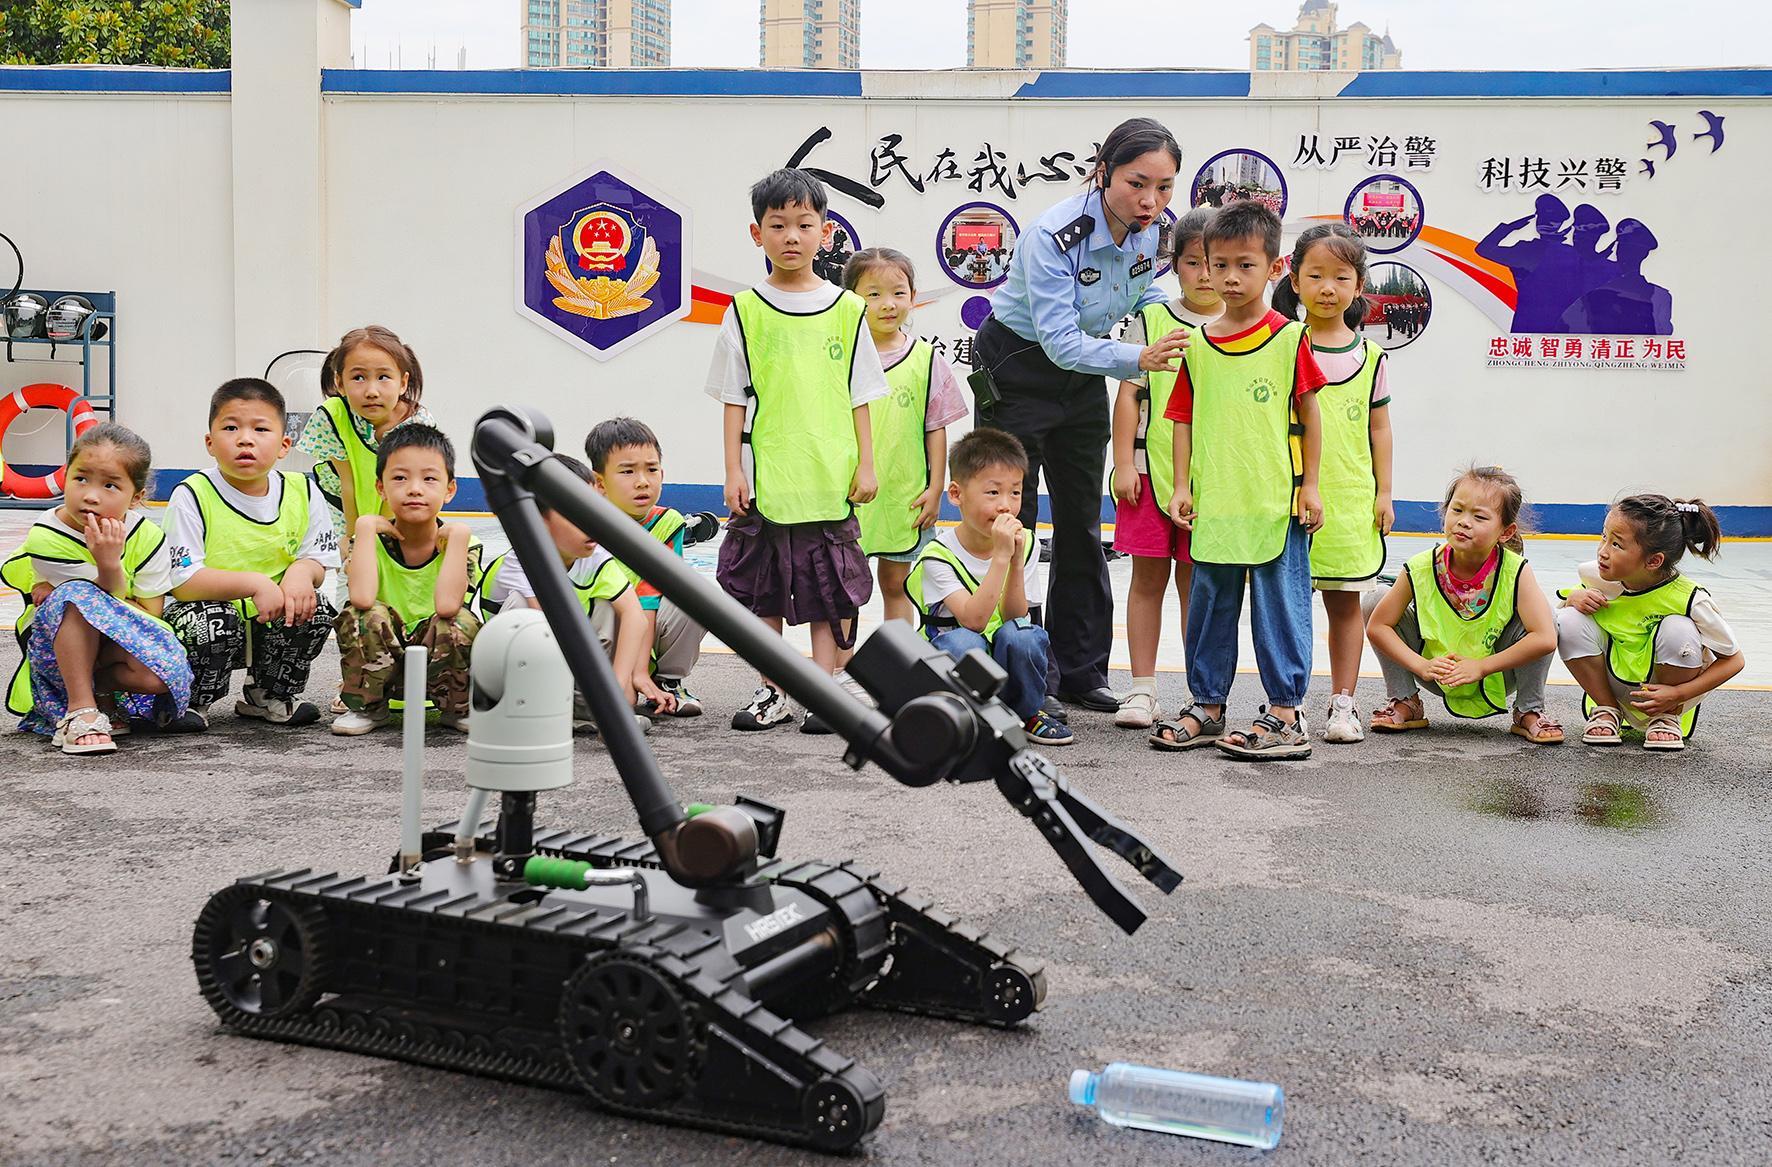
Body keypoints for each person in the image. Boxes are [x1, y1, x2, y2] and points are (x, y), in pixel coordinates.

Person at [975, 116, 1188, 715]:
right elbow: (1060, 341)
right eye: (1137, 183)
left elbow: (1143, 294)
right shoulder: (1052, 235)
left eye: (1164, 187)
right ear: (1103, 172)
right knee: (1011, 519)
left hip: (1085, 373)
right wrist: (1139, 357)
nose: (1150, 201)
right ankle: (1013, 671)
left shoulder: (1153, 232)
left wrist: (1178, 323)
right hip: (1019, 367)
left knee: (1081, 524)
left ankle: (1079, 669)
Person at [705, 168, 883, 734]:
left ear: (826, 232)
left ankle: (824, 691)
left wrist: (867, 464)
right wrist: (733, 470)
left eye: (804, 224)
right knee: (762, 589)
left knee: (830, 588)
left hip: (829, 476)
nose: (791, 236)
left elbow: (861, 395)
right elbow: (733, 398)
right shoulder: (744, 310)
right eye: (778, 224)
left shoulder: (848, 309)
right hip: (766, 478)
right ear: (756, 234)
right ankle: (772, 691)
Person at [1152, 200, 1326, 760]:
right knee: (1210, 609)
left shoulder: (1290, 339)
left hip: (1276, 503)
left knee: (1281, 611)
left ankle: (1286, 714)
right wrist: (1182, 486)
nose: (1229, 277)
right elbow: (1181, 418)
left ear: (1274, 268)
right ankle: (1207, 706)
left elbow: (1311, 416)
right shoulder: (1198, 344)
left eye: (1245, 265)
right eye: (1218, 264)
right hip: (1217, 505)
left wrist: (1311, 486)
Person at [1272, 223, 1394, 744]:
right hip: (1286, 497)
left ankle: (1344, 703)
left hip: (1349, 500)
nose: (1327, 288)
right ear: (1294, 280)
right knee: (1289, 606)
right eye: (1315, 275)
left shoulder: (1371, 357)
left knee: (1345, 605)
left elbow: (1380, 429)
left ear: (1358, 285)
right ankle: (1288, 703)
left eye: (1341, 277)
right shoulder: (1279, 345)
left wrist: (1384, 493)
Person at [2, 424, 192, 753]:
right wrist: (109, 567)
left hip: (115, 641)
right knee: (76, 598)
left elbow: (150, 614)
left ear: (136, 497)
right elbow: (93, 604)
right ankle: (80, 710)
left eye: (110, 485)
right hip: (60, 650)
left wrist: (109, 569)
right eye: (81, 478)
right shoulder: (47, 535)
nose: (91, 495)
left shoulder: (147, 537)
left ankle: (102, 687)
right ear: (66, 476)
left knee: (162, 675)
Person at [162, 379, 341, 729]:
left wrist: (302, 573)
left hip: (270, 617)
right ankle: (191, 700)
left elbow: (318, 560)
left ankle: (269, 694)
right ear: (210, 443)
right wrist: (255, 584)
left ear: (284, 445)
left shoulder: (302, 490)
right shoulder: (193, 493)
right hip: (215, 614)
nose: (245, 439)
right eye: (231, 428)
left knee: (315, 606)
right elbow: (182, 582)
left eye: (261, 429)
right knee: (209, 621)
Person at [1108, 207, 1220, 730]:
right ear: (1173, 265)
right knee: (1147, 579)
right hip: (1148, 477)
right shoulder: (1151, 320)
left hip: (1212, 483)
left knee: (1198, 586)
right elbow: (1129, 396)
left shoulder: (1245, 328)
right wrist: (1123, 463)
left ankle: (1202, 693)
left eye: (1215, 263)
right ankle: (1142, 688)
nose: (1205, 274)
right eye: (1193, 262)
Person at [1364, 466, 1563, 744]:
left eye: (1479, 516)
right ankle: (1405, 701)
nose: (1463, 522)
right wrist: (1422, 666)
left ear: (1506, 532)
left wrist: (1481, 666)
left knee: (1546, 617)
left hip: (1497, 673)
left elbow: (1545, 638)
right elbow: (1378, 626)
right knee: (1374, 600)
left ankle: (1529, 710)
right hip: (1438, 672)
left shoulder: (1516, 570)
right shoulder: (1421, 567)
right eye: (1457, 510)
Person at [476, 454, 676, 728]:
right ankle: (534, 708)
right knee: (521, 608)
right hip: (523, 675)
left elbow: (635, 617)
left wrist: (618, 689)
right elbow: (550, 630)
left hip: (571, 670)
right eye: (575, 513)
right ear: (537, 520)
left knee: (610, 605)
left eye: (593, 509)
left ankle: (587, 708)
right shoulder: (521, 560)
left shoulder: (595, 556)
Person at [907, 429, 1072, 745]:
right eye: (993, 493)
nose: (1005, 506)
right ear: (956, 494)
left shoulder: (1026, 544)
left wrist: (1015, 562)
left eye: (1015, 492)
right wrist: (1000, 557)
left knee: (1025, 636)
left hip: (999, 665)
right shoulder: (938, 555)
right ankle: (968, 716)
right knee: (964, 641)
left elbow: (1015, 616)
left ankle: (1026, 713)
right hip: (953, 667)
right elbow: (974, 621)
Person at [844, 248, 969, 627]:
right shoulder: (842, 357)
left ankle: (898, 656)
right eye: (874, 294)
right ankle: (839, 661)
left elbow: (935, 428)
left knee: (897, 584)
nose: (888, 304)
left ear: (913, 296)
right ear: (851, 299)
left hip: (903, 496)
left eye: (898, 293)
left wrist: (935, 488)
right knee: (843, 587)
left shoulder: (926, 359)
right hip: (847, 494)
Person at [1557, 495, 1741, 750]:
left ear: (1654, 561)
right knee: (1567, 618)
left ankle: (1665, 718)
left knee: (1679, 627)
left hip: (1667, 695)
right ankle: (1607, 709)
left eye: (1616, 544)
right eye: (1604, 537)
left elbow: (1734, 660)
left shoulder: (1690, 599)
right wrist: (1573, 599)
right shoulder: (1596, 577)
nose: (1602, 551)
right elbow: (1564, 621)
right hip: (1614, 686)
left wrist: (1678, 695)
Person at [331, 424, 481, 736]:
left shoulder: (464, 544)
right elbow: (361, 599)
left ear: (450, 489)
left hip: (436, 669)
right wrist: (365, 527)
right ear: (381, 488)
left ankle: (456, 707)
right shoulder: (368, 541)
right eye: (400, 478)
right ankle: (368, 707)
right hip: (382, 668)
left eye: (429, 479)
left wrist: (458, 538)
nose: (414, 489)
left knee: (459, 622)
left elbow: (448, 606)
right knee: (359, 615)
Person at [584, 416, 707, 716]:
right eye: (627, 471)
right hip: (597, 626)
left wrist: (639, 670)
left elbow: (651, 594)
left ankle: (666, 681)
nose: (642, 481)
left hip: (641, 625)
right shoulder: (584, 520)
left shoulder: (667, 523)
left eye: (651, 469)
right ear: (600, 483)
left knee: (695, 596)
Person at [295, 325, 436, 553]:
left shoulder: (418, 423)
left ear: (403, 383)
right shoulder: (333, 416)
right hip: (340, 505)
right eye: (358, 377)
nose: (372, 391)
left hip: (399, 503)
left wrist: (384, 534)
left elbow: (400, 483)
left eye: (383, 377)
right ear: (340, 383)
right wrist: (352, 538)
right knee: (344, 561)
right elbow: (347, 484)